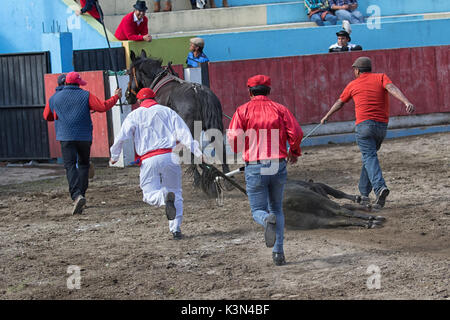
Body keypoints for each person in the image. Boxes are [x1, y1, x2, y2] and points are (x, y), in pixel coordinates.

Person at [227, 75, 303, 266]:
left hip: (255, 165)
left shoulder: (242, 110)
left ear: (250, 91)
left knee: (258, 211)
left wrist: (240, 147)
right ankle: (279, 254)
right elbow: (296, 133)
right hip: (277, 163)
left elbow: (234, 139)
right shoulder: (280, 108)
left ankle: (265, 220)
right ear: (269, 90)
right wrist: (293, 152)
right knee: (277, 208)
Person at [320, 57, 415, 209]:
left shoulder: (353, 84)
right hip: (381, 127)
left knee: (369, 157)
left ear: (357, 70)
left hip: (364, 126)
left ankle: (379, 188)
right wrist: (406, 102)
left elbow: (340, 102)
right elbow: (392, 88)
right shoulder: (381, 77)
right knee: (369, 156)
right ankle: (364, 193)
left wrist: (326, 116)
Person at [110, 88, 204, 240]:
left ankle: (162, 197)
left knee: (148, 195)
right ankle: (176, 229)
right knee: (177, 192)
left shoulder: (134, 115)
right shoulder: (167, 111)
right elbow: (184, 133)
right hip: (170, 156)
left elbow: (121, 137)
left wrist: (114, 155)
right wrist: (198, 153)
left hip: (149, 158)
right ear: (155, 98)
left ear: (139, 101)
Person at [43, 72, 122, 215]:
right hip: (84, 137)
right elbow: (103, 106)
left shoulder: (54, 97)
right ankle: (82, 194)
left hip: (66, 137)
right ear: (78, 83)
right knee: (84, 164)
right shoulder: (85, 95)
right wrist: (116, 96)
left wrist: (59, 115)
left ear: (65, 83)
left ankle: (76, 195)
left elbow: (46, 116)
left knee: (70, 166)